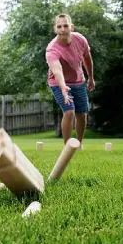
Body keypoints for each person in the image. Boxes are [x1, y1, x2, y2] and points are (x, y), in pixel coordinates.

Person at [46, 14, 95, 146]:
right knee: (69, 112)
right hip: (58, 83)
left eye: (66, 25)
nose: (63, 29)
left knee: (82, 114)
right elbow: (57, 71)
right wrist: (63, 87)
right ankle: (67, 146)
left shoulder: (80, 39)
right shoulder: (52, 49)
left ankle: (79, 144)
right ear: (55, 29)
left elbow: (87, 59)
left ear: (71, 27)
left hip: (78, 81)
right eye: (59, 26)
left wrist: (91, 78)